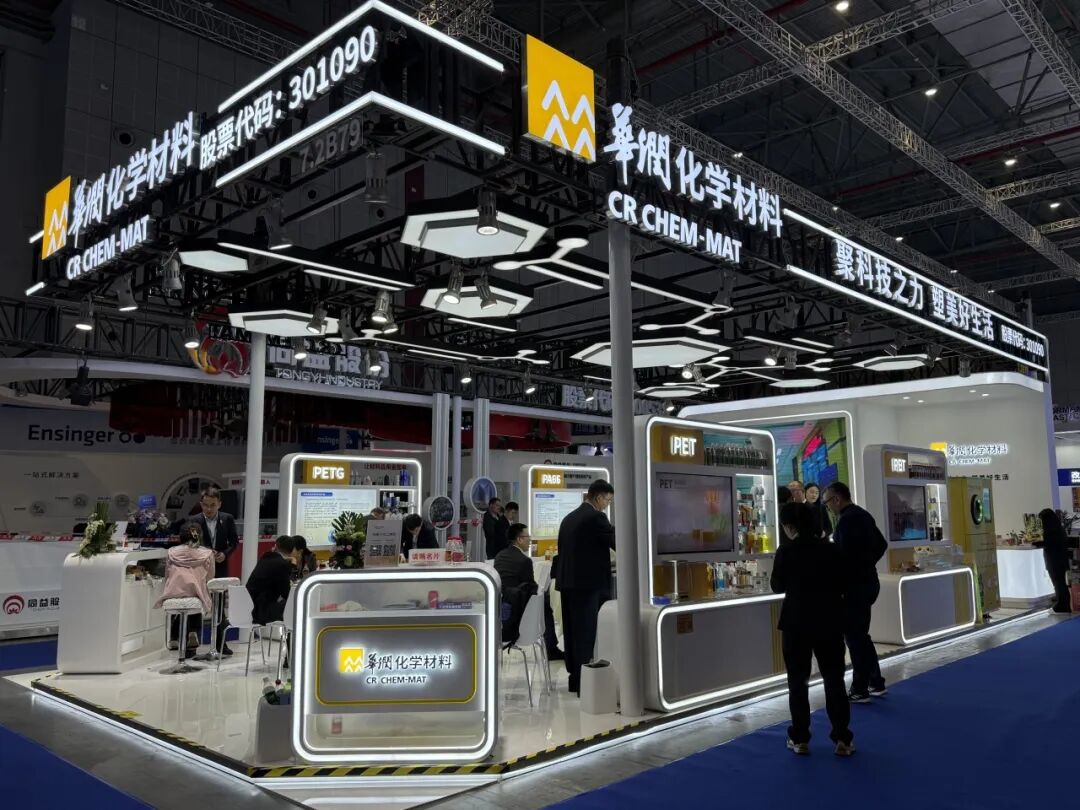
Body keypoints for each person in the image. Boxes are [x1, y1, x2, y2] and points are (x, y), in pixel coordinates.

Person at [771, 502, 854, 756]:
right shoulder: (831, 549)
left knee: (798, 681)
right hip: (829, 620)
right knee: (834, 679)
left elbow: (777, 586)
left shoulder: (786, 551)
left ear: (789, 526)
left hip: (796, 622)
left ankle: (800, 737)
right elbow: (845, 582)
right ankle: (842, 737)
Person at [824, 481, 888, 702]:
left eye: (827, 502)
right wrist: (867, 564)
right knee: (861, 635)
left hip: (854, 587)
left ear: (836, 499)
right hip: (868, 582)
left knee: (854, 637)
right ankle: (875, 681)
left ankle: (860, 688)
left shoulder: (846, 521)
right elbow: (881, 545)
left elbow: (844, 558)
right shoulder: (863, 515)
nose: (827, 507)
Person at [555, 479, 615, 694]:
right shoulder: (596, 517)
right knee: (586, 633)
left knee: (573, 632)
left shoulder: (569, 518)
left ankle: (575, 679)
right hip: (588, 585)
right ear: (598, 497)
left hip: (568, 583)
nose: (607, 505)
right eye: (607, 500)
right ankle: (584, 684)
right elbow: (619, 542)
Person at [495, 524, 564, 658]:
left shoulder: (500, 556)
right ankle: (551, 649)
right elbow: (531, 587)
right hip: (518, 609)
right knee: (544, 603)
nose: (530, 540)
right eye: (528, 537)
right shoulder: (524, 561)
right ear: (519, 539)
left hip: (502, 608)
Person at [187, 487, 239, 654]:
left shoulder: (227, 519)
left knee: (219, 606)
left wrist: (225, 554)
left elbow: (234, 542)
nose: (209, 509)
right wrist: (207, 553)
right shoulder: (194, 521)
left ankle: (220, 644)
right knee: (196, 605)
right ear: (201, 504)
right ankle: (191, 646)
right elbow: (192, 544)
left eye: (212, 505)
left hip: (221, 568)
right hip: (200, 569)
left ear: (219, 504)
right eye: (205, 505)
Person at [155, 524, 214, 659]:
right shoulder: (207, 553)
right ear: (199, 535)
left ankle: (174, 636)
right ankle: (193, 631)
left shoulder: (171, 552)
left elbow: (167, 575)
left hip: (174, 591)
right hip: (196, 591)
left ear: (180, 537)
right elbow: (210, 578)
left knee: (179, 600)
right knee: (197, 596)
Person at [246, 535, 295, 625]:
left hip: (249, 608)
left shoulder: (264, 560)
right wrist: (293, 565)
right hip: (262, 612)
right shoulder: (282, 565)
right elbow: (286, 594)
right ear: (291, 551)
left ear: (275, 546)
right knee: (296, 602)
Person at [1034, 509, 1076, 613]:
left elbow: (1049, 543)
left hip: (1055, 561)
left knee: (1058, 583)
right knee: (1061, 583)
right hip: (1060, 560)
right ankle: (1063, 604)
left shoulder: (1051, 532)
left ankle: (1062, 605)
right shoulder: (1058, 529)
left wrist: (1037, 543)